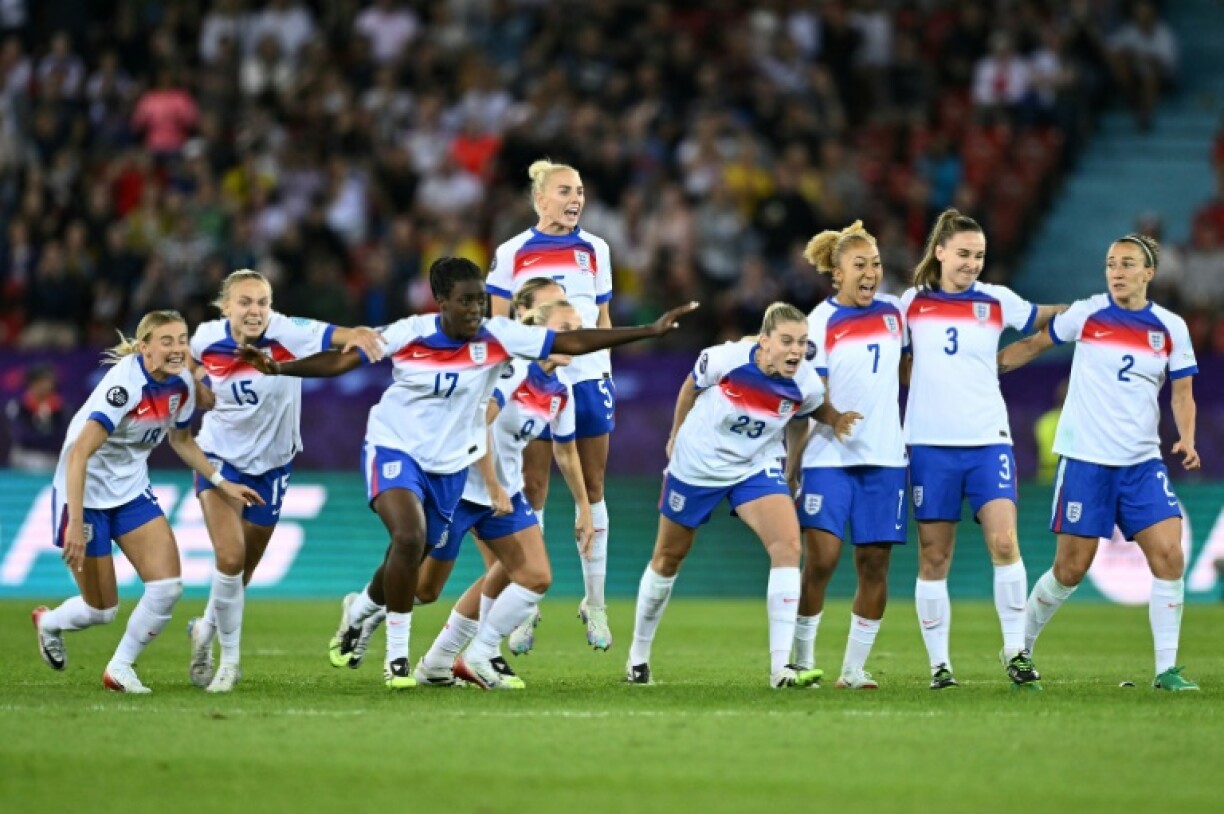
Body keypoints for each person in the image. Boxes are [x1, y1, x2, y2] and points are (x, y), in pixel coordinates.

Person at [238, 256, 697, 689]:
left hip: (452, 466)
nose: (476, 308)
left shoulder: (500, 340)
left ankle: (381, 617)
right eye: (466, 300)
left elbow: (569, 345)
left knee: (439, 580)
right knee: (410, 543)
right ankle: (397, 654)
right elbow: (345, 359)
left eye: (480, 299)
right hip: (397, 448)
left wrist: (648, 331)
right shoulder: (410, 332)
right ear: (441, 301)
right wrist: (281, 367)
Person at [998, 233, 1201, 691]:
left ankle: (1166, 669)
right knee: (1070, 568)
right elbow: (1033, 345)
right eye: (1111, 263)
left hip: (1141, 463)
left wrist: (1187, 438)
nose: (1117, 271)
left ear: (1149, 273)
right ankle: (1019, 649)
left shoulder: (1171, 326)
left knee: (1169, 554)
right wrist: (986, 369)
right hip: (1087, 461)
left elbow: (1182, 392)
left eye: (1128, 264)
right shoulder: (1087, 313)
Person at [626, 303, 858, 689]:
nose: (795, 351)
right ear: (764, 342)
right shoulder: (724, 358)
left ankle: (780, 669)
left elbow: (816, 409)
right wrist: (674, 434)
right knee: (668, 558)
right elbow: (690, 387)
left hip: (755, 465)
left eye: (802, 342)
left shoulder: (806, 381)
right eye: (786, 341)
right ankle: (638, 656)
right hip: (698, 463)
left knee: (787, 546)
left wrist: (836, 421)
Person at [31, 311, 262, 693]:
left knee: (168, 586)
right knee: (100, 611)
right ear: (145, 349)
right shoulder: (124, 387)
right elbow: (78, 456)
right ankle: (50, 622)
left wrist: (221, 483)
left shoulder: (181, 386)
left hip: (131, 490)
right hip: (85, 493)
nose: (177, 349)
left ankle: (119, 667)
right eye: (166, 341)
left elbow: (182, 441)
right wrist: (74, 522)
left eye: (182, 340)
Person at [185, 269, 385, 692]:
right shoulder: (205, 337)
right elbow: (188, 361)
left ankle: (204, 628)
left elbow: (339, 336)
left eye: (262, 301)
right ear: (226, 307)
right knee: (230, 557)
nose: (255, 310)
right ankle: (229, 663)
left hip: (272, 465)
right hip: (218, 458)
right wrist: (198, 384)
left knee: (243, 569)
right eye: (245, 302)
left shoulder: (289, 331)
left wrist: (362, 334)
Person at [902, 208, 1062, 690]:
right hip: (930, 444)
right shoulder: (910, 304)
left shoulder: (996, 301)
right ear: (940, 252)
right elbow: (891, 360)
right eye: (964, 254)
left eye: (980, 256)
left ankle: (1015, 651)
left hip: (988, 441)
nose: (972, 263)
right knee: (934, 557)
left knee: (1004, 542)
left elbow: (1041, 319)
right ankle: (939, 666)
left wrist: (1091, 310)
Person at [412, 296, 596, 689]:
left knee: (533, 575)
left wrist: (584, 506)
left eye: (578, 330)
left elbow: (565, 452)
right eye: (566, 329)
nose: (575, 337)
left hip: (504, 494)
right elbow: (479, 422)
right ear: (540, 334)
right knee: (423, 590)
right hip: (461, 485)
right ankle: (368, 608)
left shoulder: (562, 390)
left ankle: (469, 655)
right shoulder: (514, 370)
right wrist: (493, 485)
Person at [486, 159, 616, 651]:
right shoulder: (512, 252)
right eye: (565, 190)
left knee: (595, 484)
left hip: (589, 378)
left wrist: (603, 366)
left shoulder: (596, 249)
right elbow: (499, 322)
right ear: (540, 199)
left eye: (579, 190)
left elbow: (602, 315)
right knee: (534, 487)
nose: (575, 198)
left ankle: (595, 604)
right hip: (536, 381)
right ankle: (527, 605)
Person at [785, 222, 906, 689]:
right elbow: (808, 397)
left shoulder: (896, 314)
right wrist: (793, 465)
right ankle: (801, 660)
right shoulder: (818, 323)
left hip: (885, 458)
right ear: (837, 274)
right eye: (860, 265)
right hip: (828, 457)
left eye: (876, 264)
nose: (871, 273)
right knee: (822, 559)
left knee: (874, 563)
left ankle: (853, 669)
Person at [5, 363, 65, 471]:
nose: (47, 385)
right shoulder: (19, 406)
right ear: (32, 383)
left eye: (49, 381)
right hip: (27, 455)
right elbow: (21, 436)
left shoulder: (59, 408)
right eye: (42, 381)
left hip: (52, 455)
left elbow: (62, 435)